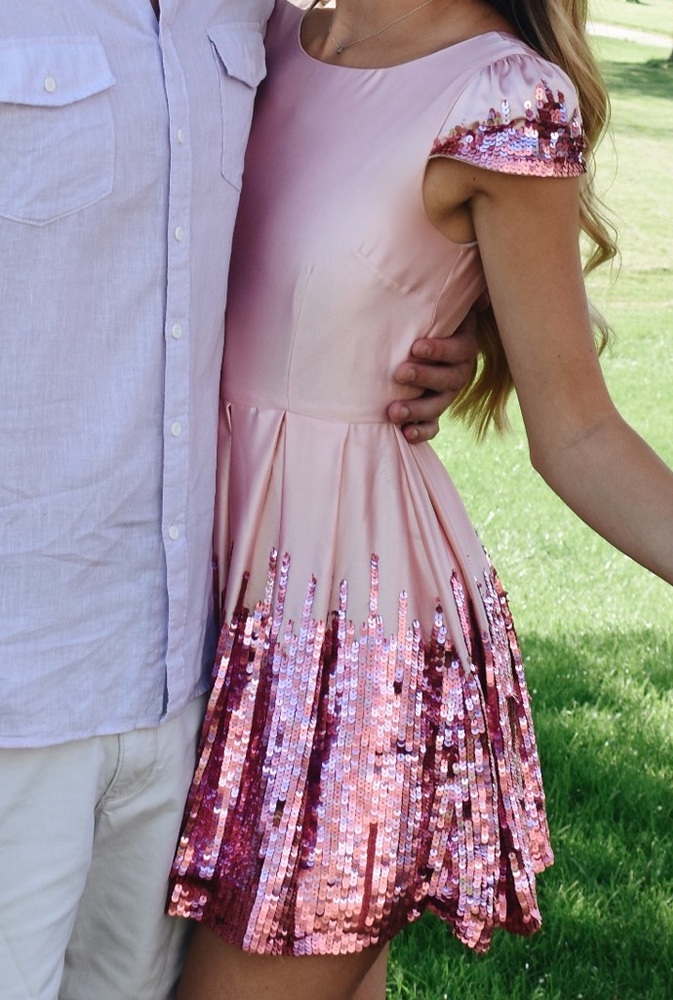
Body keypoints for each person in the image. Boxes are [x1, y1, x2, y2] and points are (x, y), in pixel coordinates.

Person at [163, 1, 673, 999]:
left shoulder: (503, 98)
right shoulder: (254, 28)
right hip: (181, 598)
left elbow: (574, 427)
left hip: (341, 648)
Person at [0, 4, 478, 999]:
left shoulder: (249, 11)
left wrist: (437, 321)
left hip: (184, 679)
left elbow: (350, 168)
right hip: (19, 679)